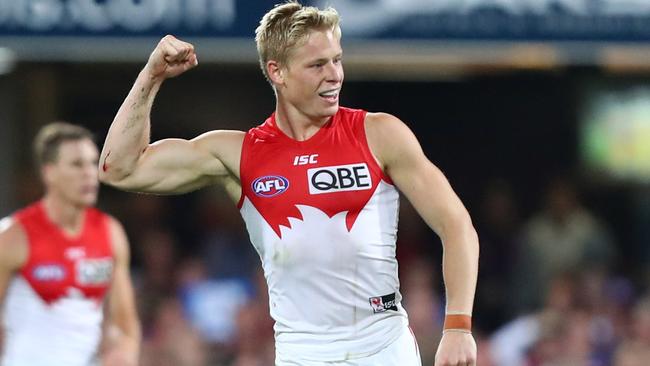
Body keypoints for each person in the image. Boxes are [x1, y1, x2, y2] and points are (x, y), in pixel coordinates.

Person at [98, 1, 479, 365]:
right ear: (278, 72)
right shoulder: (238, 154)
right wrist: (151, 76)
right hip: (302, 353)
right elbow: (120, 168)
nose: (334, 75)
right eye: (317, 65)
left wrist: (458, 325)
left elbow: (456, 225)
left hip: (382, 346)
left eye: (337, 60)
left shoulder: (379, 134)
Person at [0, 122, 140, 366]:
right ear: (49, 172)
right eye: (77, 164)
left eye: (91, 162)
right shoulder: (13, 236)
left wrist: (123, 354)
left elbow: (124, 325)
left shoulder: (110, 232)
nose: (89, 173)